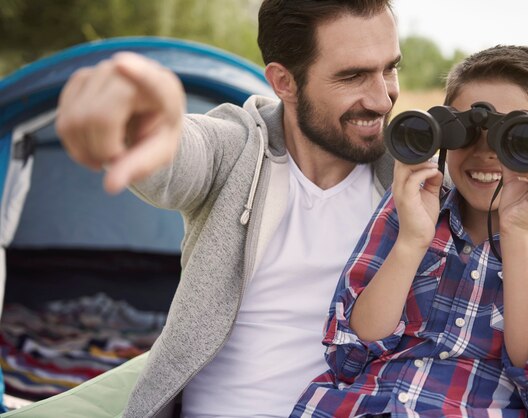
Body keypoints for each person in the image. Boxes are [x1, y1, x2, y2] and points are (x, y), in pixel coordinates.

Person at [55, 1, 400, 417]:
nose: (382, 99)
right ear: (284, 82)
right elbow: (180, 155)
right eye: (353, 76)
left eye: (390, 68)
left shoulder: (408, 179)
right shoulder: (234, 153)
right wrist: (138, 126)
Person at [290, 45, 528, 418]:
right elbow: (347, 356)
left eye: (512, 136)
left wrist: (519, 234)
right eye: (467, 131)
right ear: (443, 133)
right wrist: (412, 241)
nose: (487, 152)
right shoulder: (409, 207)